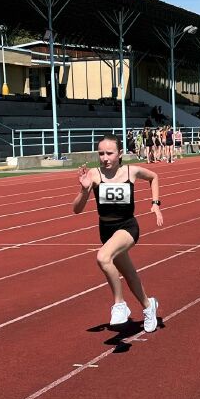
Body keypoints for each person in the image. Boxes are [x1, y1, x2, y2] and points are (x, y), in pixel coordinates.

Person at [73, 133, 163, 331]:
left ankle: (119, 304)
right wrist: (84, 190)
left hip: (127, 227)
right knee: (129, 274)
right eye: (101, 153)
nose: (105, 158)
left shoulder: (131, 171)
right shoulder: (94, 175)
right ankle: (149, 306)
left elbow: (154, 177)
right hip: (106, 231)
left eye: (110, 153)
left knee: (103, 257)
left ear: (120, 154)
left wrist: (155, 203)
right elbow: (76, 210)